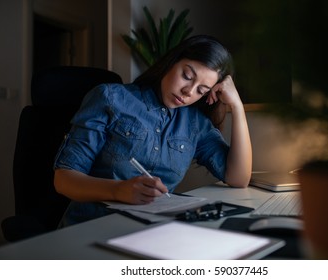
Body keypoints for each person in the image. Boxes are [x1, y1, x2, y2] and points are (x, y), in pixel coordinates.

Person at [53, 35, 252, 226]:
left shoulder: (195, 124)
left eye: (202, 91)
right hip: (89, 227)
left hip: (151, 232)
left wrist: (237, 106)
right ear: (171, 62)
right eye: (187, 76)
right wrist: (117, 190)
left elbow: (238, 178)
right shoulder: (111, 98)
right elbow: (63, 179)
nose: (189, 92)